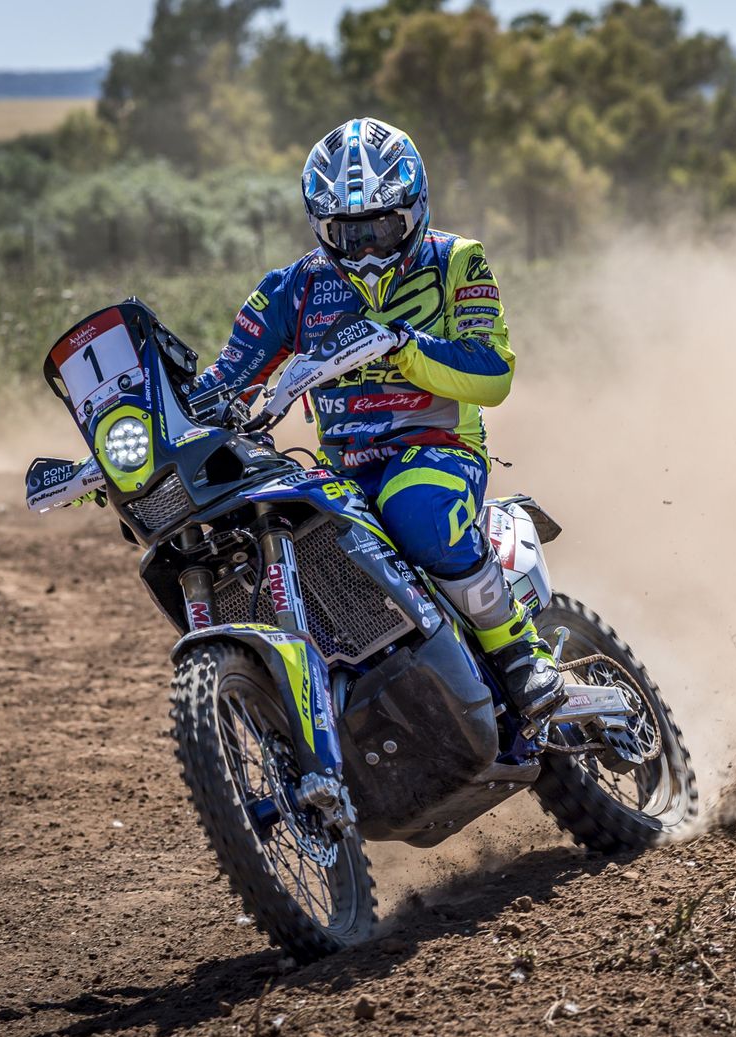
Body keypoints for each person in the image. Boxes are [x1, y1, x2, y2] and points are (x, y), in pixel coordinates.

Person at [192, 117, 565, 721]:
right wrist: (141, 433)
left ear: (414, 211)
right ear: (321, 226)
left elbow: (492, 372)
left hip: (438, 447)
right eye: (349, 232)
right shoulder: (292, 289)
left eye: (384, 227)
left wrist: (400, 345)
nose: (367, 248)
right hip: (342, 475)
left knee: (414, 507)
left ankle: (521, 648)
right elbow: (224, 381)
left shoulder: (457, 261)